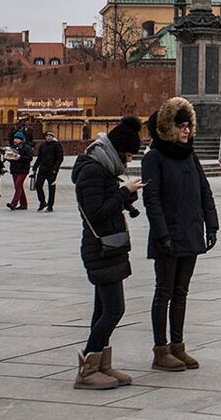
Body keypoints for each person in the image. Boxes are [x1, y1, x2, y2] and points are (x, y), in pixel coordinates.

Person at [142, 97, 219, 373]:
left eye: (188, 125)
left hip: (189, 232)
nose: (186, 131)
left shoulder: (189, 155)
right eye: (180, 125)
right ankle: (160, 350)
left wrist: (211, 224)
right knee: (164, 292)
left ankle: (178, 346)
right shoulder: (154, 158)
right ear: (168, 127)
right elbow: (152, 199)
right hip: (168, 236)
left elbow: (204, 191)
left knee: (181, 292)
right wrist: (162, 234)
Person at [71, 116, 145, 390]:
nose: (126, 162)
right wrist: (123, 192)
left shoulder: (103, 170)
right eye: (126, 156)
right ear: (116, 150)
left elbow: (107, 204)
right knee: (115, 308)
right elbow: (97, 213)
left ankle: (100, 364)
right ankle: (87, 370)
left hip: (109, 249)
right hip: (99, 249)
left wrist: (125, 194)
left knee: (102, 308)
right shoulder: (92, 171)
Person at [32, 130, 65, 211]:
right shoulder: (43, 145)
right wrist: (35, 167)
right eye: (47, 136)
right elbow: (39, 157)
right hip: (42, 168)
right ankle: (42, 202)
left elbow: (60, 158)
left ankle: (50, 205)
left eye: (50, 136)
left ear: (53, 137)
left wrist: (55, 168)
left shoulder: (57, 145)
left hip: (52, 170)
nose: (48, 137)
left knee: (51, 187)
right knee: (38, 186)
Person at [6, 131, 33, 210]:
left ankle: (14, 203)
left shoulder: (27, 148)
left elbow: (29, 158)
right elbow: (11, 159)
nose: (15, 140)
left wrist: (20, 157)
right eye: (15, 138)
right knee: (19, 186)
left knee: (18, 185)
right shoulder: (12, 148)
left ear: (22, 140)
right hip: (14, 169)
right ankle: (23, 204)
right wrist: (9, 157)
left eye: (17, 139)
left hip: (23, 169)